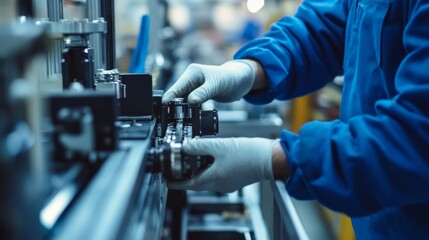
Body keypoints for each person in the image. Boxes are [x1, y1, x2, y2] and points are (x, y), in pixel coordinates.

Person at [162, 0, 429, 238]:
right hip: (376, 219)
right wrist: (249, 70)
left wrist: (276, 158)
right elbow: (322, 30)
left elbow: (417, 138)